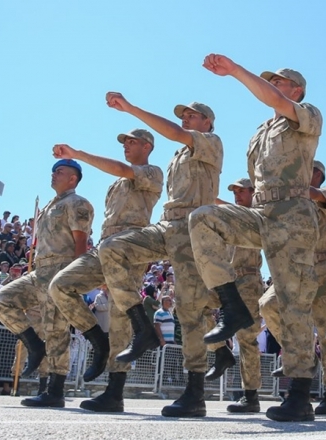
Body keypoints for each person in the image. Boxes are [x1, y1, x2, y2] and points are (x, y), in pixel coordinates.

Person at [191, 54, 321, 422]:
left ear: (295, 90)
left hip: (292, 214)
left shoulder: (306, 114)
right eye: (273, 81)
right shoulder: (262, 131)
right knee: (204, 218)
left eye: (280, 82)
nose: (275, 86)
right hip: (261, 212)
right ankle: (231, 305)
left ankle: (299, 394)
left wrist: (234, 71)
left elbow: (277, 101)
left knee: (292, 303)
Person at [98, 95, 224, 419]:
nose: (186, 118)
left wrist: (131, 108)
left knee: (189, 307)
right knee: (112, 249)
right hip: (168, 226)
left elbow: (172, 134)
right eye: (184, 115)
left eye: (193, 115)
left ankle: (194, 391)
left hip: (192, 227)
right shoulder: (178, 156)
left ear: (207, 123)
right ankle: (142, 327)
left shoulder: (210, 142)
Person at [48, 129, 163, 414]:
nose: (126, 146)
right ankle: (98, 341)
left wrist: (77, 154)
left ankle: (115, 391)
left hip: (129, 246)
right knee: (60, 285)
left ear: (147, 146)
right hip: (104, 246)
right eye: (124, 142)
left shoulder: (152, 172)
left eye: (132, 142)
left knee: (120, 318)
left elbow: (124, 169)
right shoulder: (117, 184)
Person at [0, 159, 94, 408]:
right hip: (39, 270)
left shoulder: (77, 203)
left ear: (73, 178)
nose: (53, 174)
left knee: (57, 330)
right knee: (1, 300)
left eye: (60, 171)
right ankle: (34, 345)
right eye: (53, 171)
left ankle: (55, 390)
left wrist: (75, 277)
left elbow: (81, 242)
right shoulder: (50, 205)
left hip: (60, 269)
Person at [263, 162, 326, 415]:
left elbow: (317, 196)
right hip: (294, 266)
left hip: (323, 269)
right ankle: (303, 355)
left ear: (318, 174)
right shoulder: (291, 199)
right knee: (268, 305)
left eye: (307, 168)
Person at [208, 178, 266, 414]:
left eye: (242, 191)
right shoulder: (230, 218)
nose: (237, 195)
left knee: (247, 338)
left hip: (249, 281)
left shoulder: (257, 215)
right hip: (228, 280)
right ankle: (221, 352)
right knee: (195, 302)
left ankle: (250, 396)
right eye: (235, 191)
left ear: (254, 193)